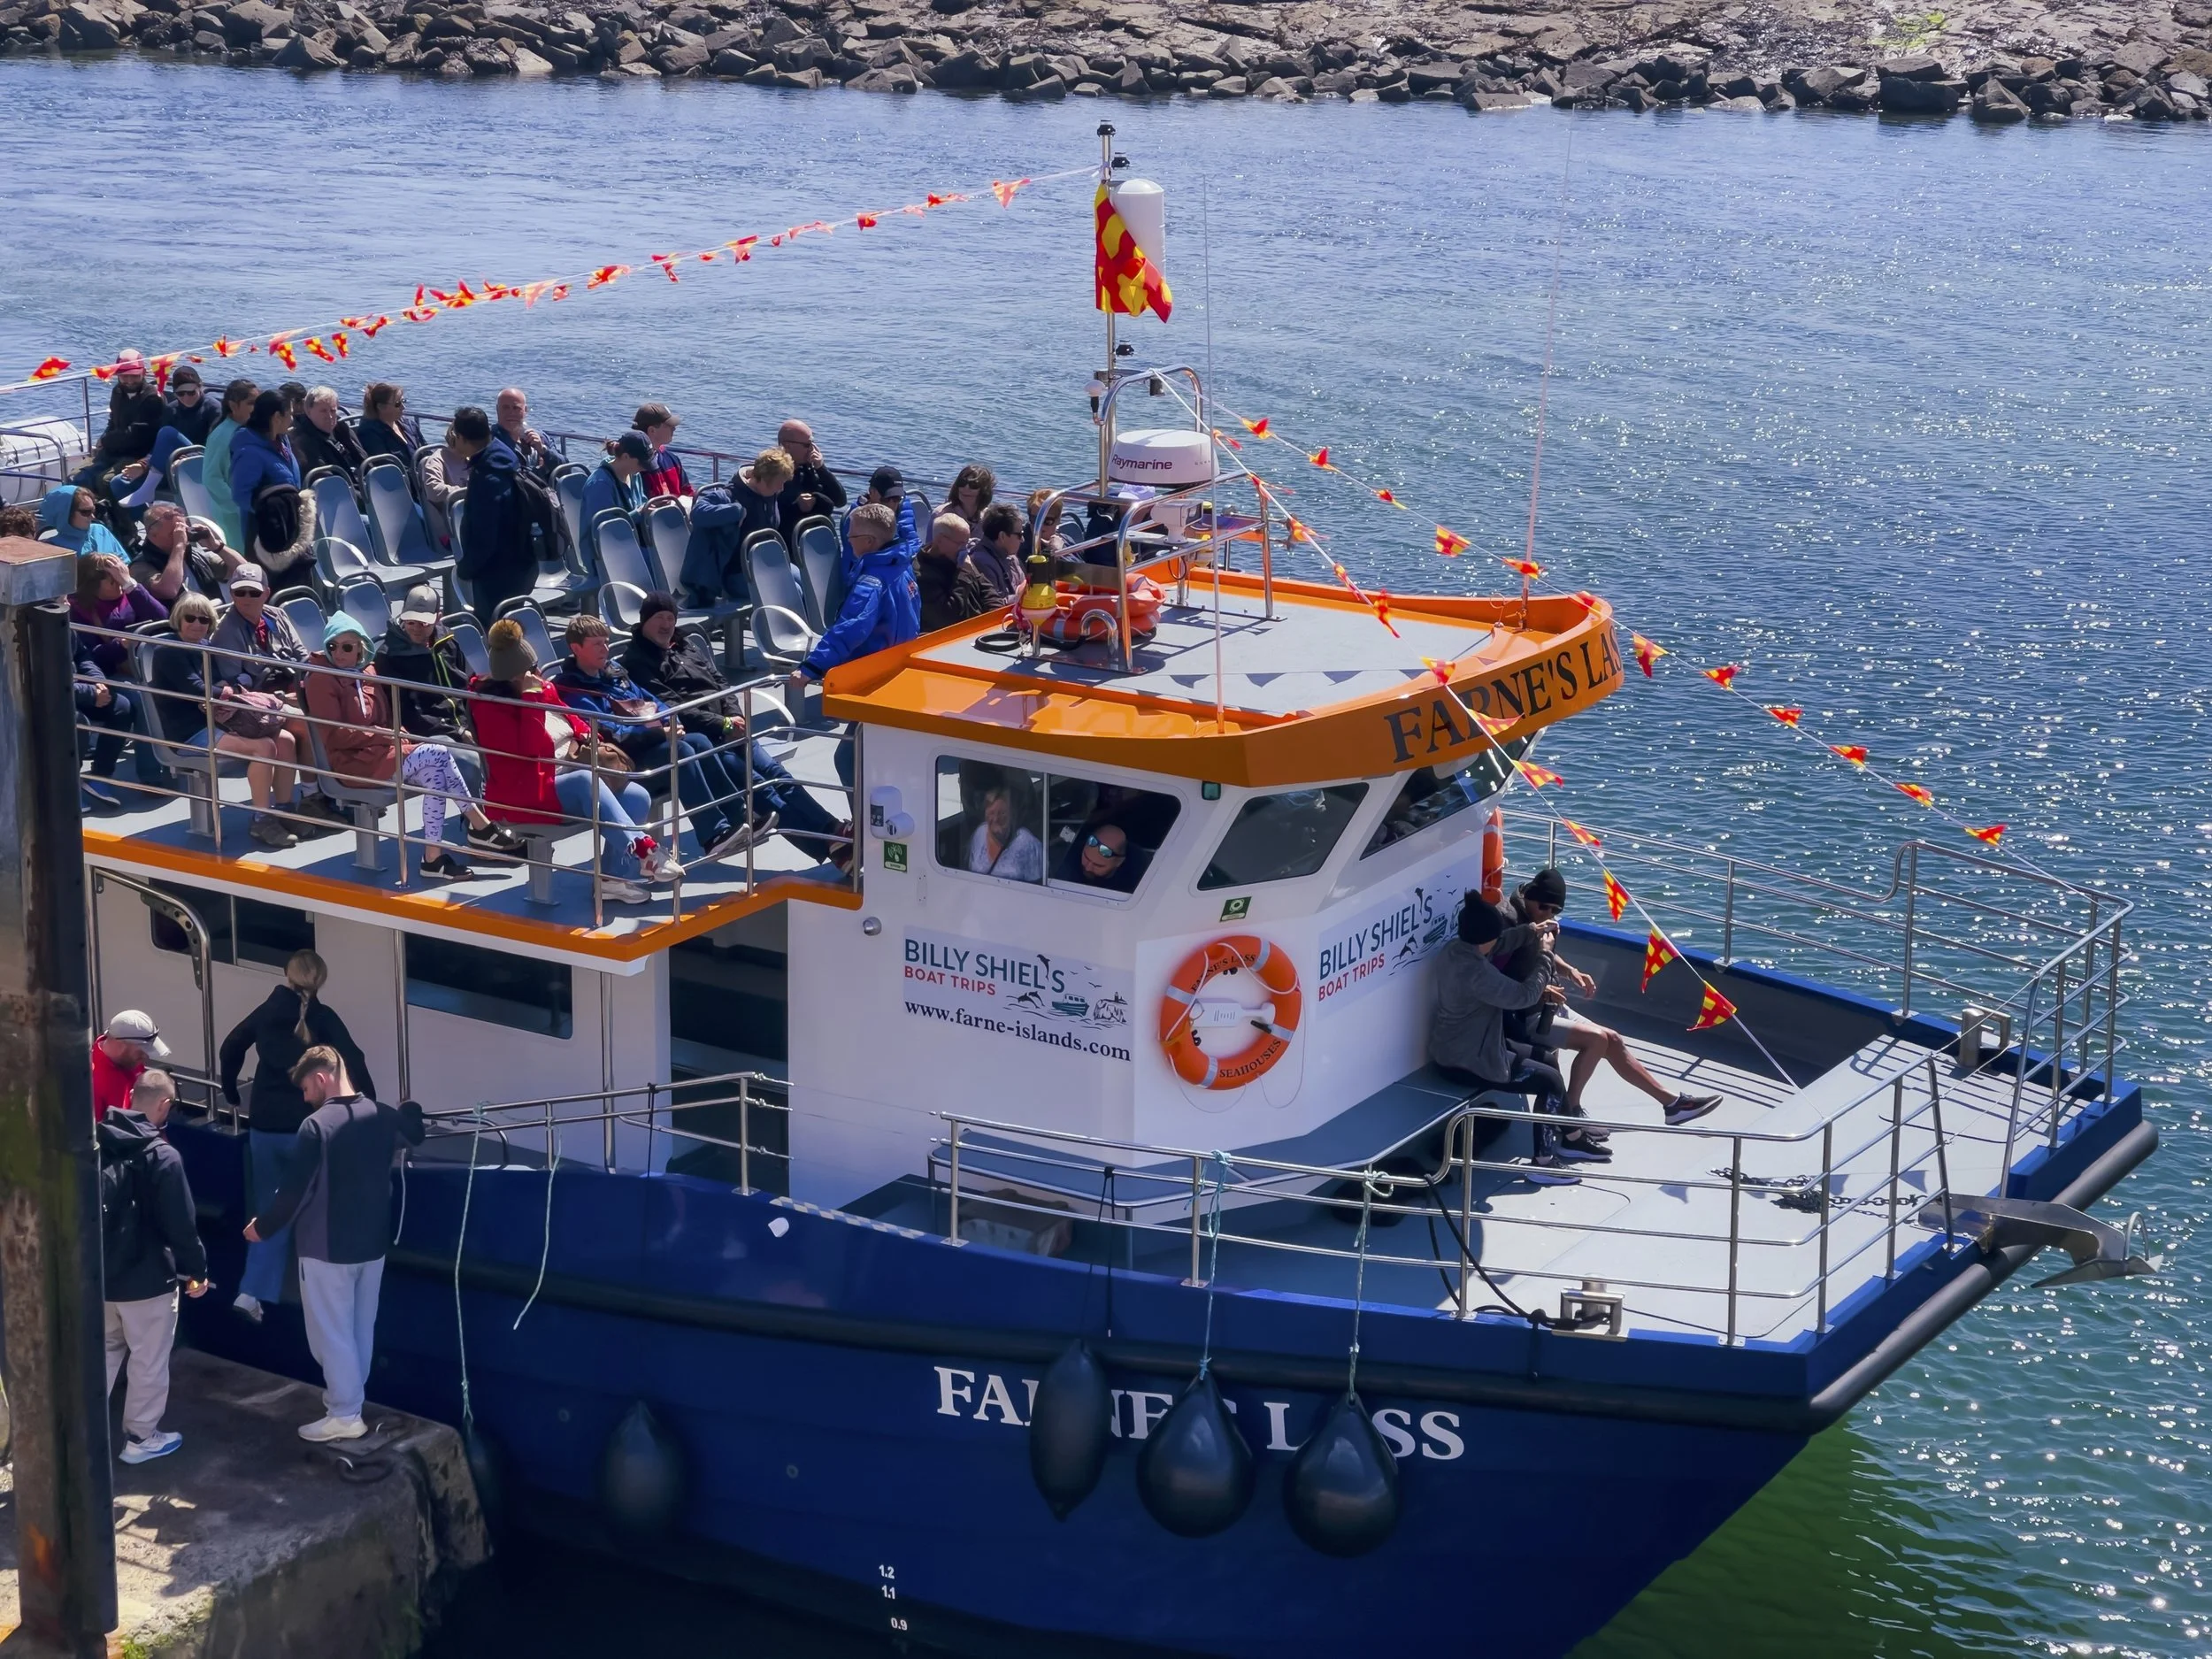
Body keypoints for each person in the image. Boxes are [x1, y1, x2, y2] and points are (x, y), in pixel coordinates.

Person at [243, 1046, 424, 1443]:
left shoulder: (315, 1127)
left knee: (330, 1334)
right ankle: (350, 1405)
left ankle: (343, 1413)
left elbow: (293, 1191)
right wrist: (411, 1107)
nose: (305, 1097)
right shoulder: (381, 1115)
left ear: (322, 1078)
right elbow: (416, 1133)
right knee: (360, 1329)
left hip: (326, 1248)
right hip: (372, 1245)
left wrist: (264, 1227)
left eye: (307, 1087)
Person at [620, 591, 849, 864]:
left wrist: (734, 715)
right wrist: (724, 724)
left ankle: (833, 832)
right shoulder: (636, 661)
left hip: (731, 728)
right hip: (705, 740)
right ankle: (831, 845)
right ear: (645, 620)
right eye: (659, 618)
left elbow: (720, 683)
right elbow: (674, 707)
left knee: (778, 775)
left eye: (671, 617)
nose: (666, 624)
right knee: (761, 787)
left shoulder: (685, 645)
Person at [1499, 868, 1723, 1130]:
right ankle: (1569, 1114)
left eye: (1555, 910)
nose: (1548, 914)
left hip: (1549, 1005)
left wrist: (1570, 971)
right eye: (1544, 907)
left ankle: (1672, 1104)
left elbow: (1542, 954)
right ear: (1530, 897)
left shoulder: (1540, 921)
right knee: (1596, 1040)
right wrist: (1541, 988)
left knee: (1613, 1040)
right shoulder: (1512, 923)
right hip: (1525, 1016)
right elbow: (1501, 977)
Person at [219, 949, 374, 1325]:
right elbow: (355, 1057)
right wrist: (370, 1107)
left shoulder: (267, 1013)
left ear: (287, 975)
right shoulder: (323, 1018)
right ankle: (321, 1296)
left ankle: (252, 1291)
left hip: (265, 1128)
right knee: (317, 1209)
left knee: (271, 1207)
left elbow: (231, 1046)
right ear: (319, 980)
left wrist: (231, 1092)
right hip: (308, 1129)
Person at [470, 618, 668, 904]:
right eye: (530, 672)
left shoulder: (544, 689)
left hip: (568, 770)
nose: (538, 675)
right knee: (585, 780)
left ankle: (612, 879)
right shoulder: (491, 708)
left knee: (637, 796)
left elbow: (571, 718)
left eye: (536, 668)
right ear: (513, 677)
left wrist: (588, 734)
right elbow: (531, 748)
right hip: (528, 790)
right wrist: (531, 701)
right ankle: (645, 852)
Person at [303, 615, 515, 879]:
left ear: (359, 648)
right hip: (353, 764)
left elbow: (389, 720)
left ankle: (433, 859)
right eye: (332, 646)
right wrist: (385, 736)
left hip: (381, 754)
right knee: (438, 753)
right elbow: (334, 735)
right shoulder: (321, 679)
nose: (339, 653)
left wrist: (397, 735)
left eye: (347, 646)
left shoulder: (369, 673)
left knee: (434, 775)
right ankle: (480, 825)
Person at [553, 613, 759, 864]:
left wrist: (670, 721)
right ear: (576, 648)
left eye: (606, 642)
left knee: (698, 741)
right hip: (624, 760)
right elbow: (613, 732)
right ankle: (713, 835)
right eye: (597, 644)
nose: (605, 649)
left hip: (649, 744)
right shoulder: (571, 689)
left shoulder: (614, 672)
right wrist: (660, 733)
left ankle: (740, 817)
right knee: (680, 751)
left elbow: (651, 699)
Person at [99, 1068, 210, 1464]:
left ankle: (81, 1437)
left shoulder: (96, 1143)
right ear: (164, 1106)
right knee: (148, 1359)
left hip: (100, 1277)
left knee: (103, 1354)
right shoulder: (163, 1156)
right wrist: (197, 1270)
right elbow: (181, 1224)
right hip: (148, 1281)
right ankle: (141, 1438)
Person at [152, 593, 302, 847]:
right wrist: (224, 691)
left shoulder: (206, 648)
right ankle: (261, 819)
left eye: (203, 620)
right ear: (179, 619)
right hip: (189, 732)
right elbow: (198, 689)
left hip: (219, 721)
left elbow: (219, 684)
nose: (197, 624)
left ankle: (283, 810)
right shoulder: (169, 653)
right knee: (264, 747)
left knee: (285, 739)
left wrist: (224, 689)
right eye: (190, 618)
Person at [795, 498, 920, 788]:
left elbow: (851, 628)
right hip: (901, 675)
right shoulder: (903, 567)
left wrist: (812, 667)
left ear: (868, 541)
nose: (848, 542)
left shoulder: (872, 581)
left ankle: (865, 828)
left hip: (877, 681)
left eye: (850, 536)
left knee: (849, 759)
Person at [456, 405, 542, 626]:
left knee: (495, 634)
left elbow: (486, 533)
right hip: (523, 564)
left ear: (462, 438)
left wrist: (467, 568)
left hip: (498, 573)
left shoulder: (487, 476)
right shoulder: (505, 458)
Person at [678, 447, 787, 607]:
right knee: (785, 590)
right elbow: (698, 512)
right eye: (779, 484)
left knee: (803, 582)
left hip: (764, 564)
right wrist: (735, 511)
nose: (781, 489)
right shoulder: (730, 494)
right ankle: (774, 630)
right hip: (734, 572)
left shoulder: (770, 495)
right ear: (763, 479)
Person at [230, 390, 313, 583]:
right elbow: (241, 495)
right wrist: (272, 510)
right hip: (266, 536)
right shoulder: (248, 452)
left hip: (293, 526)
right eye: (290, 414)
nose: (293, 418)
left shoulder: (282, 441)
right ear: (277, 417)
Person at [111, 366, 220, 511]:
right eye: (181, 393)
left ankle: (148, 488)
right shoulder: (171, 409)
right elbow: (159, 446)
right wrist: (143, 465)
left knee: (167, 433)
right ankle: (151, 528)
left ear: (200, 387)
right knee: (118, 483)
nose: (186, 397)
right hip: (171, 467)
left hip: (201, 465)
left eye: (191, 392)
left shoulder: (213, 409)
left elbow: (215, 449)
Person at [373, 586, 473, 743]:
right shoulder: (388, 657)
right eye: (411, 622)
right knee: (468, 759)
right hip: (428, 733)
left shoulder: (449, 643)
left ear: (438, 618)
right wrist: (457, 732)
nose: (416, 629)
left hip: (463, 724)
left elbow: (467, 686)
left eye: (424, 623)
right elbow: (407, 716)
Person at [77, 348, 165, 498]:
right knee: (78, 477)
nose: (129, 381)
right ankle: (88, 513)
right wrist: (104, 437)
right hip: (114, 450)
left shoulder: (152, 398)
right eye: (124, 376)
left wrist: (106, 440)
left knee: (105, 481)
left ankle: (118, 520)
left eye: (134, 376)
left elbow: (136, 436)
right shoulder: (117, 392)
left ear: (143, 373)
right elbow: (113, 421)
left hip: (137, 454)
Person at [133, 502, 240, 603]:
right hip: (182, 621)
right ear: (153, 534)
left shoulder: (196, 555)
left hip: (212, 616)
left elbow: (244, 572)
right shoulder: (140, 566)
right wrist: (179, 546)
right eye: (174, 533)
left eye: (184, 530)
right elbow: (169, 590)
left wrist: (216, 546)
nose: (182, 535)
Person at [201, 378, 259, 551]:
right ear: (234, 406)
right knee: (242, 561)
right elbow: (211, 478)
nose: (257, 408)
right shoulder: (223, 435)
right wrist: (238, 506)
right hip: (233, 515)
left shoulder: (248, 432)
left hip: (250, 511)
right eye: (251, 403)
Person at [916, 512, 993, 632]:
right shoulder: (922, 575)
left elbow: (988, 591)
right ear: (940, 540)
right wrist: (963, 573)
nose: (964, 549)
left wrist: (995, 618)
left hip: (981, 629)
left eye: (966, 544)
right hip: (953, 637)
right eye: (960, 544)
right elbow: (948, 617)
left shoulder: (959, 559)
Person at [93, 1010, 170, 1122]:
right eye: (141, 1052)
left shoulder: (131, 1061)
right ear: (120, 1045)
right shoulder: (92, 1083)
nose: (146, 1057)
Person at [774, 419, 846, 539]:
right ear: (787, 446)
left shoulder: (810, 470)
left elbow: (840, 501)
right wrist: (797, 507)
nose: (811, 449)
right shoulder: (774, 473)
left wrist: (821, 468)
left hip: (817, 538)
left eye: (813, 444)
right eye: (807, 445)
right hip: (792, 540)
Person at [580, 431, 649, 543]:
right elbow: (604, 530)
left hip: (631, 541)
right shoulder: (599, 485)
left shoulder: (634, 474)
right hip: (605, 552)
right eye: (641, 464)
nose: (645, 469)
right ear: (626, 457)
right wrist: (639, 513)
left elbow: (642, 503)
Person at [965, 781, 1043, 882]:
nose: (996, 819)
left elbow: (1037, 887)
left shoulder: (1028, 844)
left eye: (1002, 813)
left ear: (1013, 813)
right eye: (992, 813)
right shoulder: (980, 834)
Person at [292, 386, 368, 485]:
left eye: (333, 411)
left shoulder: (342, 430)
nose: (330, 416)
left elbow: (365, 461)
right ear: (308, 411)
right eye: (323, 411)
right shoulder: (303, 441)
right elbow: (325, 480)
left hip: (363, 482)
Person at [418, 420, 472, 553]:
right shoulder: (436, 460)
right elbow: (434, 491)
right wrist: (468, 491)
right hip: (449, 532)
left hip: (469, 524)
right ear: (457, 438)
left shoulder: (471, 461)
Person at [39, 485, 130, 560]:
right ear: (66, 514)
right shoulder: (54, 549)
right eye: (86, 512)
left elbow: (125, 562)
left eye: (94, 510)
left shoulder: (101, 531)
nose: (93, 516)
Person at [964, 503, 1027, 607]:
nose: (1022, 540)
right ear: (1002, 536)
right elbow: (994, 606)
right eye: (1019, 535)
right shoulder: (981, 563)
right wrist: (1023, 594)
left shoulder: (1011, 557)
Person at [1057, 821, 1143, 894]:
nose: (1088, 868)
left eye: (1098, 865)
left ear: (1119, 862)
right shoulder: (1069, 859)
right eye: (1086, 857)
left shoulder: (1136, 880)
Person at [494, 387, 558, 482]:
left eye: (516, 408)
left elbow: (564, 467)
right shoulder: (490, 442)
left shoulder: (541, 437)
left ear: (525, 410)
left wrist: (543, 451)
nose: (511, 413)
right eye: (505, 408)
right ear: (497, 410)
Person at [355, 382, 421, 470]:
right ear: (381, 407)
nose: (403, 407)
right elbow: (385, 465)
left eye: (403, 401)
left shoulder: (410, 425)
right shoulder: (369, 433)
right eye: (397, 404)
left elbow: (426, 452)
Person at [632, 403, 691, 499]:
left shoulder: (672, 459)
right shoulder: (633, 466)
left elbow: (688, 492)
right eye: (669, 425)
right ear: (652, 431)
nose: (674, 429)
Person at [946, 462, 995, 529]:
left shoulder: (989, 519)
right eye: (962, 482)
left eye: (974, 485)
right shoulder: (942, 514)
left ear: (984, 490)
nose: (966, 488)